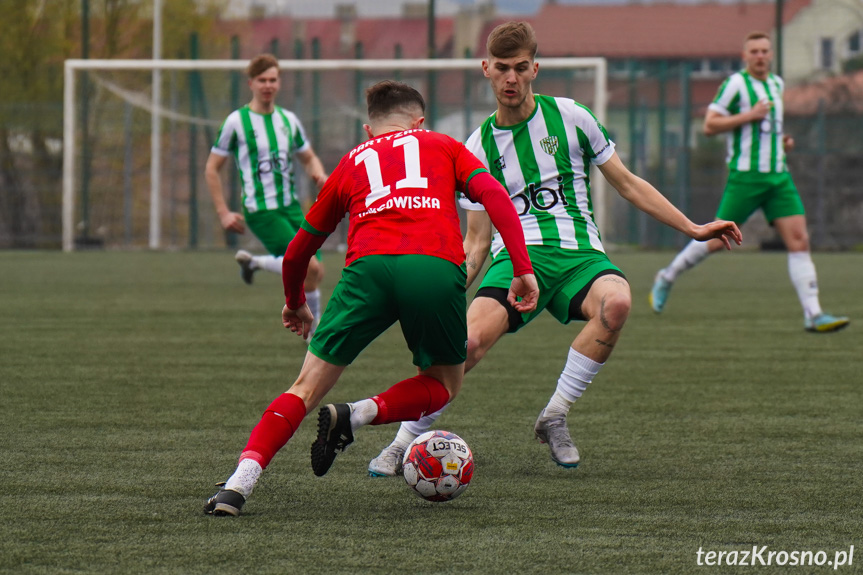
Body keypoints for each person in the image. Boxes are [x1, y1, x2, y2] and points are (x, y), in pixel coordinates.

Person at [367, 21, 742, 477]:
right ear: (486, 69)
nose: (511, 78)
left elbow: (626, 183)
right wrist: (440, 293)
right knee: (464, 345)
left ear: (535, 69)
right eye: (502, 68)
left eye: (520, 68)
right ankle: (402, 442)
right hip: (515, 261)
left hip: (579, 255)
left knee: (618, 302)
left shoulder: (572, 116)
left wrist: (692, 227)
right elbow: (478, 241)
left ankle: (555, 415)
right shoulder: (475, 147)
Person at [204, 80, 539, 517]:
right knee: (442, 384)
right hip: (433, 267)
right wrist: (522, 268)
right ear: (420, 123)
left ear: (369, 130)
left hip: (368, 270)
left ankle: (238, 485)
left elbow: (299, 249)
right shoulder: (444, 145)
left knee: (303, 388)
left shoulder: (353, 160)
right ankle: (359, 413)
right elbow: (494, 196)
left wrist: (294, 300)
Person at [650, 32, 849, 334]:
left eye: (764, 51)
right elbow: (709, 125)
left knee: (800, 241)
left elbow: (766, 129)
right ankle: (667, 276)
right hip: (746, 177)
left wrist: (782, 142)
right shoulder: (735, 85)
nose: (760, 56)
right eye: (754, 51)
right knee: (716, 240)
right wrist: (749, 115)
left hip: (779, 177)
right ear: (745, 56)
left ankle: (813, 313)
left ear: (771, 55)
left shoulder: (776, 84)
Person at [205, 53, 328, 335]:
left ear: (279, 83)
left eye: (273, 79)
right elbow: (212, 169)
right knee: (310, 268)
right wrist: (223, 212)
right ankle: (315, 337)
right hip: (261, 210)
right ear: (251, 83)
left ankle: (255, 263)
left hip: (291, 207)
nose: (268, 85)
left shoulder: (288, 120)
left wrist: (319, 174)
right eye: (262, 80)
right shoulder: (236, 122)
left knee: (315, 273)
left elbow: (308, 157)